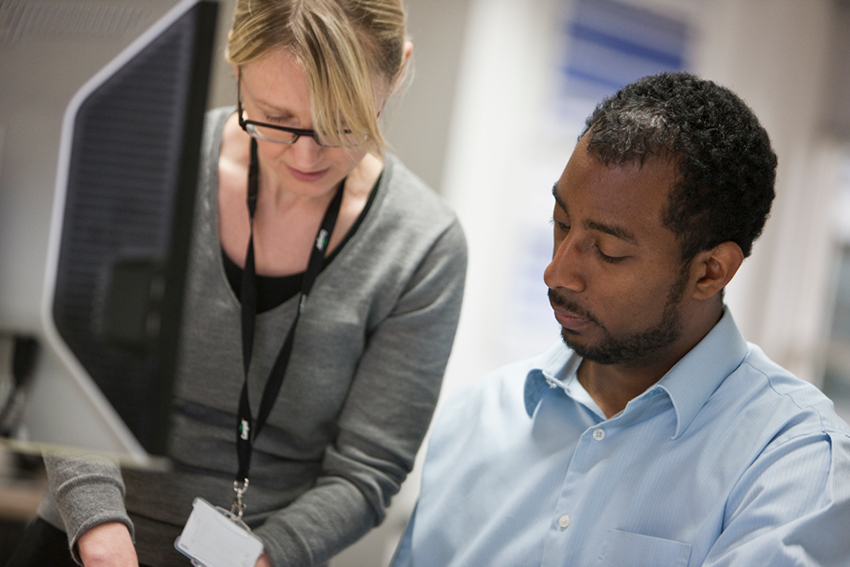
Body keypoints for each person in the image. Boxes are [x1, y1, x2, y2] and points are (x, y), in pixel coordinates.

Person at [8, 1, 467, 566]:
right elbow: (64, 370)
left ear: (396, 74)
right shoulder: (147, 160)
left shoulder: (424, 243)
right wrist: (100, 534)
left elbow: (365, 471)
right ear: (234, 61)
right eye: (275, 117)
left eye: (343, 123)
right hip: (87, 542)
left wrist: (259, 559)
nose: (306, 155)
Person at [391, 72, 850, 567]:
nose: (557, 271)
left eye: (608, 252)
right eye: (560, 223)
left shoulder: (793, 461)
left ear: (710, 271)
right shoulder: (476, 418)